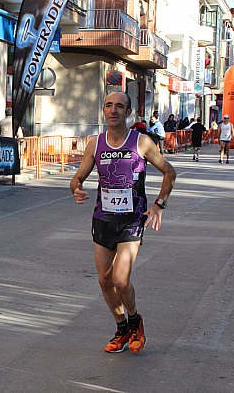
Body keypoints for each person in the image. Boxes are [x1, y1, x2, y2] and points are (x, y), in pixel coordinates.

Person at [70, 91, 176, 355]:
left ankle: (134, 319)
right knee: (104, 281)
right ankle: (122, 329)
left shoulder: (142, 142)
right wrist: (76, 188)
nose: (113, 110)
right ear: (103, 110)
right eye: (108, 105)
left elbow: (169, 172)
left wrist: (159, 205)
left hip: (132, 221)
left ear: (128, 112)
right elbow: (78, 177)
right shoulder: (95, 143)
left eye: (119, 106)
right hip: (103, 219)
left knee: (119, 279)